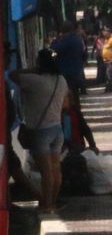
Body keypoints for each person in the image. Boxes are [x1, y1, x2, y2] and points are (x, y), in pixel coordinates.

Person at [12, 50, 70, 214]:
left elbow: (12, 74)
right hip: (57, 130)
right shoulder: (61, 80)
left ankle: (47, 204)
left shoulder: (34, 80)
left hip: (40, 132)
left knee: (46, 172)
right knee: (55, 168)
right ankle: (52, 201)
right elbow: (66, 105)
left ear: (40, 63)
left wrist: (33, 69)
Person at [51, 25, 89, 97]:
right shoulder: (78, 39)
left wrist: (54, 42)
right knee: (75, 93)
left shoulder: (64, 40)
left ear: (63, 31)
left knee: (68, 93)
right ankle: (76, 106)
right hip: (77, 70)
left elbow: (55, 50)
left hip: (66, 70)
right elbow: (84, 53)